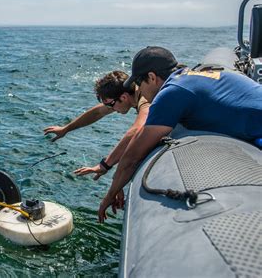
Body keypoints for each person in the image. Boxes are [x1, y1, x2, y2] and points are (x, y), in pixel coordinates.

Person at [98, 46, 262, 222]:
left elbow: (132, 158)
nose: (140, 91)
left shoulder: (170, 93)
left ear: (152, 77)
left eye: (139, 83)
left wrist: (110, 194)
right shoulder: (193, 76)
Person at [44, 71, 150, 180]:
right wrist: (66, 129)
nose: (110, 109)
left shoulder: (145, 101)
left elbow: (136, 130)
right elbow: (98, 112)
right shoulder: (132, 91)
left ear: (123, 97)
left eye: (110, 105)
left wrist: (104, 165)